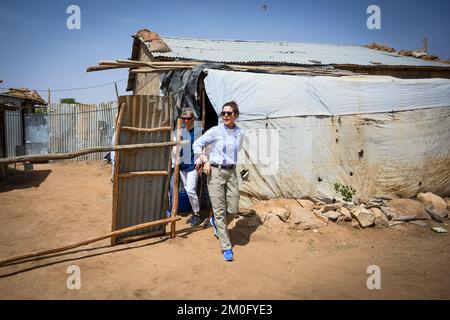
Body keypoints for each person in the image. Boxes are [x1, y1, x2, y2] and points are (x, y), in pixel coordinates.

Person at [193, 101, 245, 261]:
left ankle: (215, 222)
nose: (226, 116)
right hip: (215, 172)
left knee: (233, 208)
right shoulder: (215, 131)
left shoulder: (241, 133)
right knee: (220, 209)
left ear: (236, 115)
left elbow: (238, 150)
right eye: (223, 113)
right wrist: (204, 159)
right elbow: (197, 144)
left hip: (231, 172)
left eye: (229, 113)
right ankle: (226, 247)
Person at [167, 108, 204, 226]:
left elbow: (204, 147)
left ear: (193, 119)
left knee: (190, 189)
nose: (186, 121)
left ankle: (197, 214)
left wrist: (200, 161)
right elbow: (174, 148)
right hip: (182, 166)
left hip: (193, 166)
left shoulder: (198, 132)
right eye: (184, 118)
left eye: (189, 118)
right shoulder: (178, 132)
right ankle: (194, 212)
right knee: (188, 190)